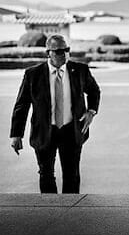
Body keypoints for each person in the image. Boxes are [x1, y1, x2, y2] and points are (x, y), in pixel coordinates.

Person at [10, 34, 100, 193]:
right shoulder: (33, 75)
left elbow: (94, 91)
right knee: (46, 175)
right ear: (48, 53)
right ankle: (50, 211)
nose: (64, 54)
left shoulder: (80, 70)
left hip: (71, 131)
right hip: (44, 132)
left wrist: (91, 111)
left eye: (66, 50)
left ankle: (70, 213)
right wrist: (16, 135)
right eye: (58, 51)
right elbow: (22, 105)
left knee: (72, 175)